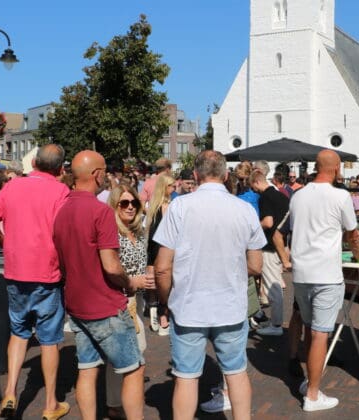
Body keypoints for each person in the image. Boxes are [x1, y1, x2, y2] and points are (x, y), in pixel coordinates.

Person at [153, 150, 266, 420]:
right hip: (230, 305)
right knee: (236, 372)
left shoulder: (180, 206)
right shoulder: (244, 209)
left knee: (186, 377)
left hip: (188, 306)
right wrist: (229, 272)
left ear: (195, 175)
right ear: (226, 175)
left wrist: (165, 300)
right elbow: (255, 265)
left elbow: (162, 266)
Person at [53, 150, 147, 420]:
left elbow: (62, 261)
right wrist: (129, 282)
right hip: (105, 305)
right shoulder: (100, 211)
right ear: (96, 174)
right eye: (104, 171)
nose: (105, 177)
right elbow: (111, 265)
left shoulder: (62, 211)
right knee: (133, 369)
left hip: (76, 303)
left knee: (88, 368)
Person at [0, 144, 71, 420]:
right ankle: (50, 404)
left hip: (16, 272)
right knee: (49, 340)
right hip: (48, 274)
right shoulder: (60, 191)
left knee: (19, 333)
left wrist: (7, 244)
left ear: (34, 163)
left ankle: (10, 392)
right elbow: (64, 235)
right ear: (60, 168)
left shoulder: (12, 187)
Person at [289, 150, 359, 412]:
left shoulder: (298, 196)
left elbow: (295, 230)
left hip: (301, 272)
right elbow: (353, 233)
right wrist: (358, 255)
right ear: (337, 169)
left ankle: (310, 383)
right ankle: (312, 395)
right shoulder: (340, 196)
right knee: (320, 333)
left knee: (311, 329)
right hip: (326, 273)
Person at [104, 185, 149, 419]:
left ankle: (115, 401)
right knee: (133, 351)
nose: (130, 207)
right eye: (124, 203)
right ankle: (119, 404)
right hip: (120, 298)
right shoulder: (111, 233)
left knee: (121, 353)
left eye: (134, 203)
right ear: (115, 205)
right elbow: (109, 270)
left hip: (137, 299)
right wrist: (132, 281)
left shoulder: (139, 232)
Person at [249, 171, 290, 336]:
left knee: (273, 286)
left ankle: (276, 324)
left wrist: (252, 228)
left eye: (253, 187)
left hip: (269, 246)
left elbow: (268, 222)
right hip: (281, 244)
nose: (254, 191)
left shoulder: (265, 197)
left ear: (256, 182)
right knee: (275, 284)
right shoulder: (282, 196)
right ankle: (275, 323)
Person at [145, 174, 176, 335]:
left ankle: (153, 312)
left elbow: (149, 231)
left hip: (152, 248)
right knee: (165, 284)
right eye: (171, 186)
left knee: (153, 284)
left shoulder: (152, 206)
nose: (174, 189)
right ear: (165, 187)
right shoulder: (168, 206)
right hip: (165, 249)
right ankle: (163, 317)